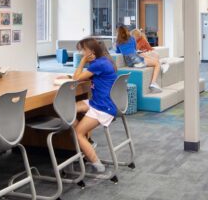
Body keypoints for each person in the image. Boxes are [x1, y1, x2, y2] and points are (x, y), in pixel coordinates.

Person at [68, 37, 118, 174]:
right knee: (67, 110)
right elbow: (81, 77)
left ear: (91, 50)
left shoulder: (98, 65)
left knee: (78, 133)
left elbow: (76, 78)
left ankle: (97, 164)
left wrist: (83, 61)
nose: (81, 53)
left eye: (83, 50)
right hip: (100, 102)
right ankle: (88, 142)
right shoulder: (104, 61)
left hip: (103, 107)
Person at [115, 26, 161, 92]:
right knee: (157, 63)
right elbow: (135, 49)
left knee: (143, 56)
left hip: (129, 62)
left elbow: (118, 52)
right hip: (137, 60)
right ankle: (153, 83)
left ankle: (139, 64)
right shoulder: (131, 38)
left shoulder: (118, 42)